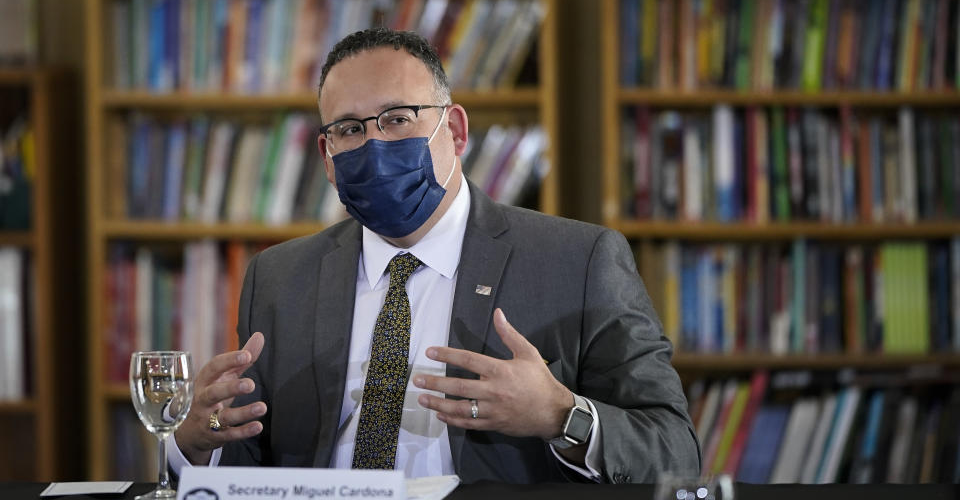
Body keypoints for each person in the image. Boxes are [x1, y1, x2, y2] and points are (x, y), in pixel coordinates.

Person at [170, 28, 700, 483]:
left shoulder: (578, 261)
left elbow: (675, 451)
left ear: (455, 130)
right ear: (327, 158)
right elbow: (245, 457)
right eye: (350, 130)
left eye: (398, 119)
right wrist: (194, 445)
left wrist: (562, 415)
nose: (374, 145)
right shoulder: (279, 277)